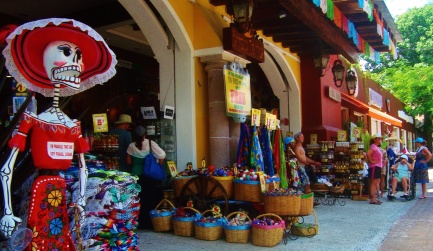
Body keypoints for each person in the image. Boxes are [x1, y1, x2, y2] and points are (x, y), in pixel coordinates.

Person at [0, 18, 117, 250]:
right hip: (41, 186)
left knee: (58, 233)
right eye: (66, 52)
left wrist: (81, 201)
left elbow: (82, 166)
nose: (76, 62)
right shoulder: (33, 120)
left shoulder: (72, 124)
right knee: (38, 233)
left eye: (79, 55)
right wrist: (7, 210)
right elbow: (7, 167)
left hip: (59, 188)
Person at [126, 125, 166, 229]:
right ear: (145, 134)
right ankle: (150, 222)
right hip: (149, 175)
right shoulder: (150, 143)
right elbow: (162, 155)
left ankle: (139, 222)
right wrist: (158, 165)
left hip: (136, 176)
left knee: (138, 199)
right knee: (150, 198)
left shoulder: (131, 146)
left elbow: (128, 162)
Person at [367, 134, 383, 205]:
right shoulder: (373, 146)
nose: (380, 140)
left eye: (380, 138)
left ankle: (374, 198)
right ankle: (373, 199)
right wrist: (372, 161)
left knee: (376, 182)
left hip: (378, 166)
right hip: (374, 166)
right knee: (373, 183)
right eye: (378, 138)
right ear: (374, 139)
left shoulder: (376, 147)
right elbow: (368, 153)